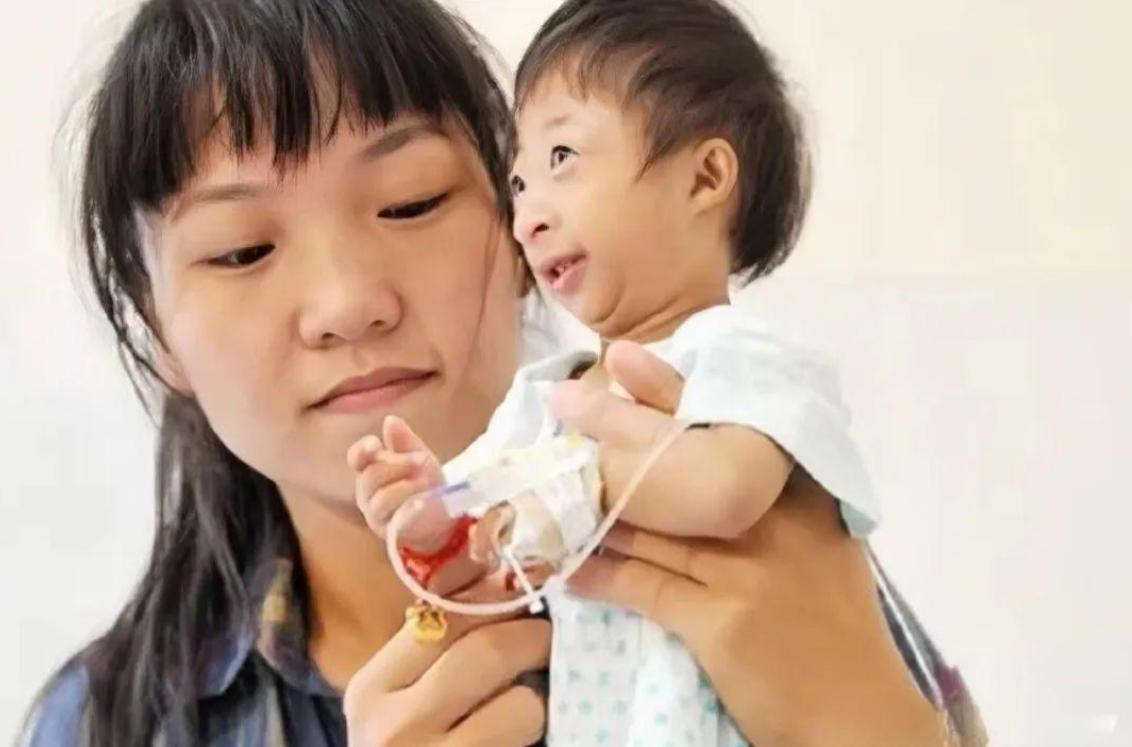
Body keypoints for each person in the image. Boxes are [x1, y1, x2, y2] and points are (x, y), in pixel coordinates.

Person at [21, 0, 984, 745]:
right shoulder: (102, 723)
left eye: (410, 201)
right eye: (241, 250)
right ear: (156, 328)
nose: (349, 302)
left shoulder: (786, 568)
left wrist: (857, 717)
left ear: (522, 236)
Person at [349, 2, 880, 744]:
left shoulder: (742, 357)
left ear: (706, 177)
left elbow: (726, 491)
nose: (528, 218)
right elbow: (473, 539)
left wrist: (576, 484)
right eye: (519, 185)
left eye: (562, 158)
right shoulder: (547, 395)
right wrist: (425, 502)